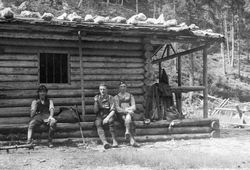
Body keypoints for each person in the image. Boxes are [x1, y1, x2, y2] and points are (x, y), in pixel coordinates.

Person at [114, 81, 140, 147]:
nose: (123, 88)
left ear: (126, 87)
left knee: (128, 117)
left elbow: (134, 107)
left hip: (130, 113)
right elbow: (117, 108)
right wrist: (126, 110)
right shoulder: (116, 97)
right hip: (120, 114)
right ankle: (132, 140)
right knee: (126, 118)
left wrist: (128, 111)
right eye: (121, 87)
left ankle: (128, 133)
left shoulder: (130, 96)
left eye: (124, 86)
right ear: (119, 88)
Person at [94, 83, 118, 149]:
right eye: (101, 89)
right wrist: (96, 102)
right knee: (98, 123)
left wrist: (107, 118)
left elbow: (113, 110)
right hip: (100, 115)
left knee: (111, 121)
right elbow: (95, 111)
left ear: (107, 90)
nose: (102, 91)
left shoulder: (110, 98)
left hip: (109, 114)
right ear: (99, 90)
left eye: (104, 89)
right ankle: (105, 142)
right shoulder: (97, 98)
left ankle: (114, 140)